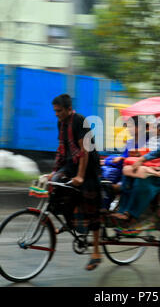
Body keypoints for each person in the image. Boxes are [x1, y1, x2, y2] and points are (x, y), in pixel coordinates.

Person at [49, 94, 102, 271]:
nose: (56, 114)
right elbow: (61, 149)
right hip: (71, 164)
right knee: (55, 186)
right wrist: (54, 172)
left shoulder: (80, 121)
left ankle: (96, 252)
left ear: (68, 109)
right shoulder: (61, 123)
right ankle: (70, 222)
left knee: (91, 204)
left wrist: (80, 176)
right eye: (55, 111)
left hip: (88, 168)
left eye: (59, 111)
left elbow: (85, 151)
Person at [111, 115, 160, 225]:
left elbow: (158, 152)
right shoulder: (152, 139)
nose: (154, 129)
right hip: (147, 168)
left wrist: (142, 159)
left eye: (157, 127)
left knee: (140, 181)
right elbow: (145, 151)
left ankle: (131, 214)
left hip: (159, 173)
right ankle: (121, 210)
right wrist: (138, 154)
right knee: (127, 177)